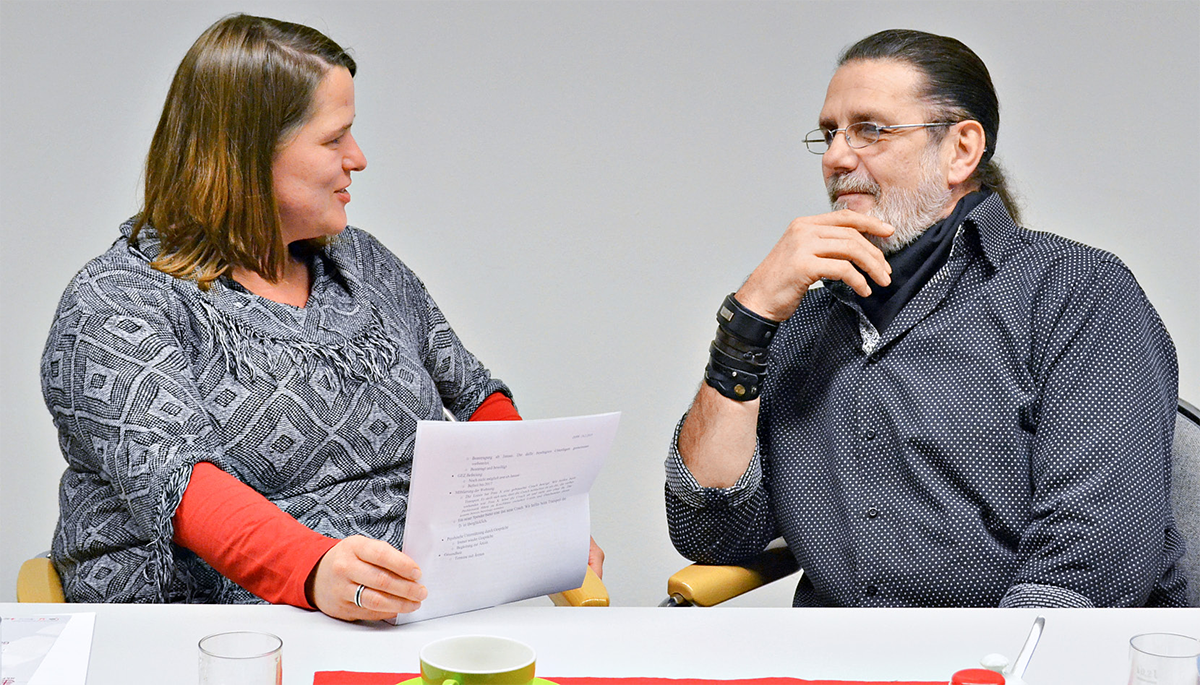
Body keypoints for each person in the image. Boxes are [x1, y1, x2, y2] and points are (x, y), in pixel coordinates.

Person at [41, 14, 601, 622]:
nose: (357, 158)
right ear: (247, 154)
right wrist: (315, 571)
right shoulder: (114, 302)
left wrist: (536, 509)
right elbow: (183, 486)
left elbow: (474, 393)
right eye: (335, 139)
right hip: (213, 630)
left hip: (409, 608)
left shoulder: (362, 263)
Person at [665, 29, 1186, 607]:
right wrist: (749, 318)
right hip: (838, 661)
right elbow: (710, 532)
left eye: (870, 130)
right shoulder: (797, 320)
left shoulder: (1079, 292)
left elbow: (1088, 568)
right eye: (831, 133)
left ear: (961, 150)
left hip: (1015, 662)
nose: (837, 158)